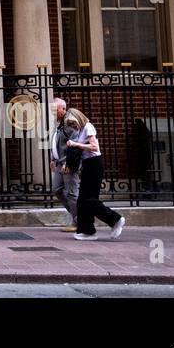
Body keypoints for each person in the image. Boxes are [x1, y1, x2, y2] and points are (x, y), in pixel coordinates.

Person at [65, 109, 125, 241]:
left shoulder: (88, 127)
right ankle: (87, 231)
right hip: (88, 164)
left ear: (78, 118)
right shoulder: (80, 130)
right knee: (82, 200)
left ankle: (115, 219)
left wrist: (76, 144)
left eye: (72, 123)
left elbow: (94, 147)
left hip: (94, 164)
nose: (72, 126)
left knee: (89, 199)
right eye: (70, 124)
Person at [49, 98, 79, 232]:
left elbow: (75, 145)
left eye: (55, 110)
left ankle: (78, 220)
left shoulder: (69, 123)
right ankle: (77, 216)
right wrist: (53, 158)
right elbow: (57, 141)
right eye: (52, 110)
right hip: (59, 162)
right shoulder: (60, 123)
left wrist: (68, 162)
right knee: (57, 189)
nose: (53, 113)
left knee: (72, 193)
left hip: (67, 163)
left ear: (63, 109)